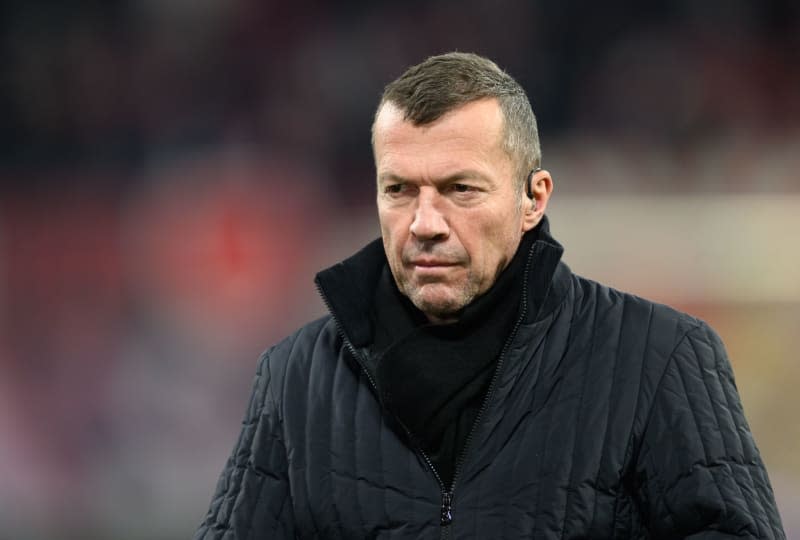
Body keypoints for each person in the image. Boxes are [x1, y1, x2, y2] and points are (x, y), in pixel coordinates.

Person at [193, 52, 785, 539]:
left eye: (459, 189)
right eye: (399, 189)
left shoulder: (660, 355)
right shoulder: (297, 375)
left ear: (534, 198)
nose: (425, 221)